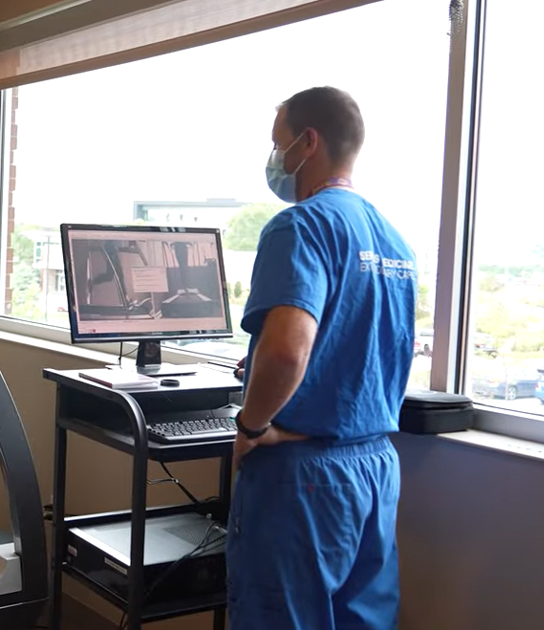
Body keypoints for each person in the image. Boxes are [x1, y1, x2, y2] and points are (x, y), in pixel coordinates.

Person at [226, 86, 416, 630]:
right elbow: (366, 345)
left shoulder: (300, 226)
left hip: (302, 474)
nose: (274, 158)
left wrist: (252, 424)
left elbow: (288, 352)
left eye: (277, 143)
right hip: (375, 469)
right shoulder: (393, 241)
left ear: (308, 143)